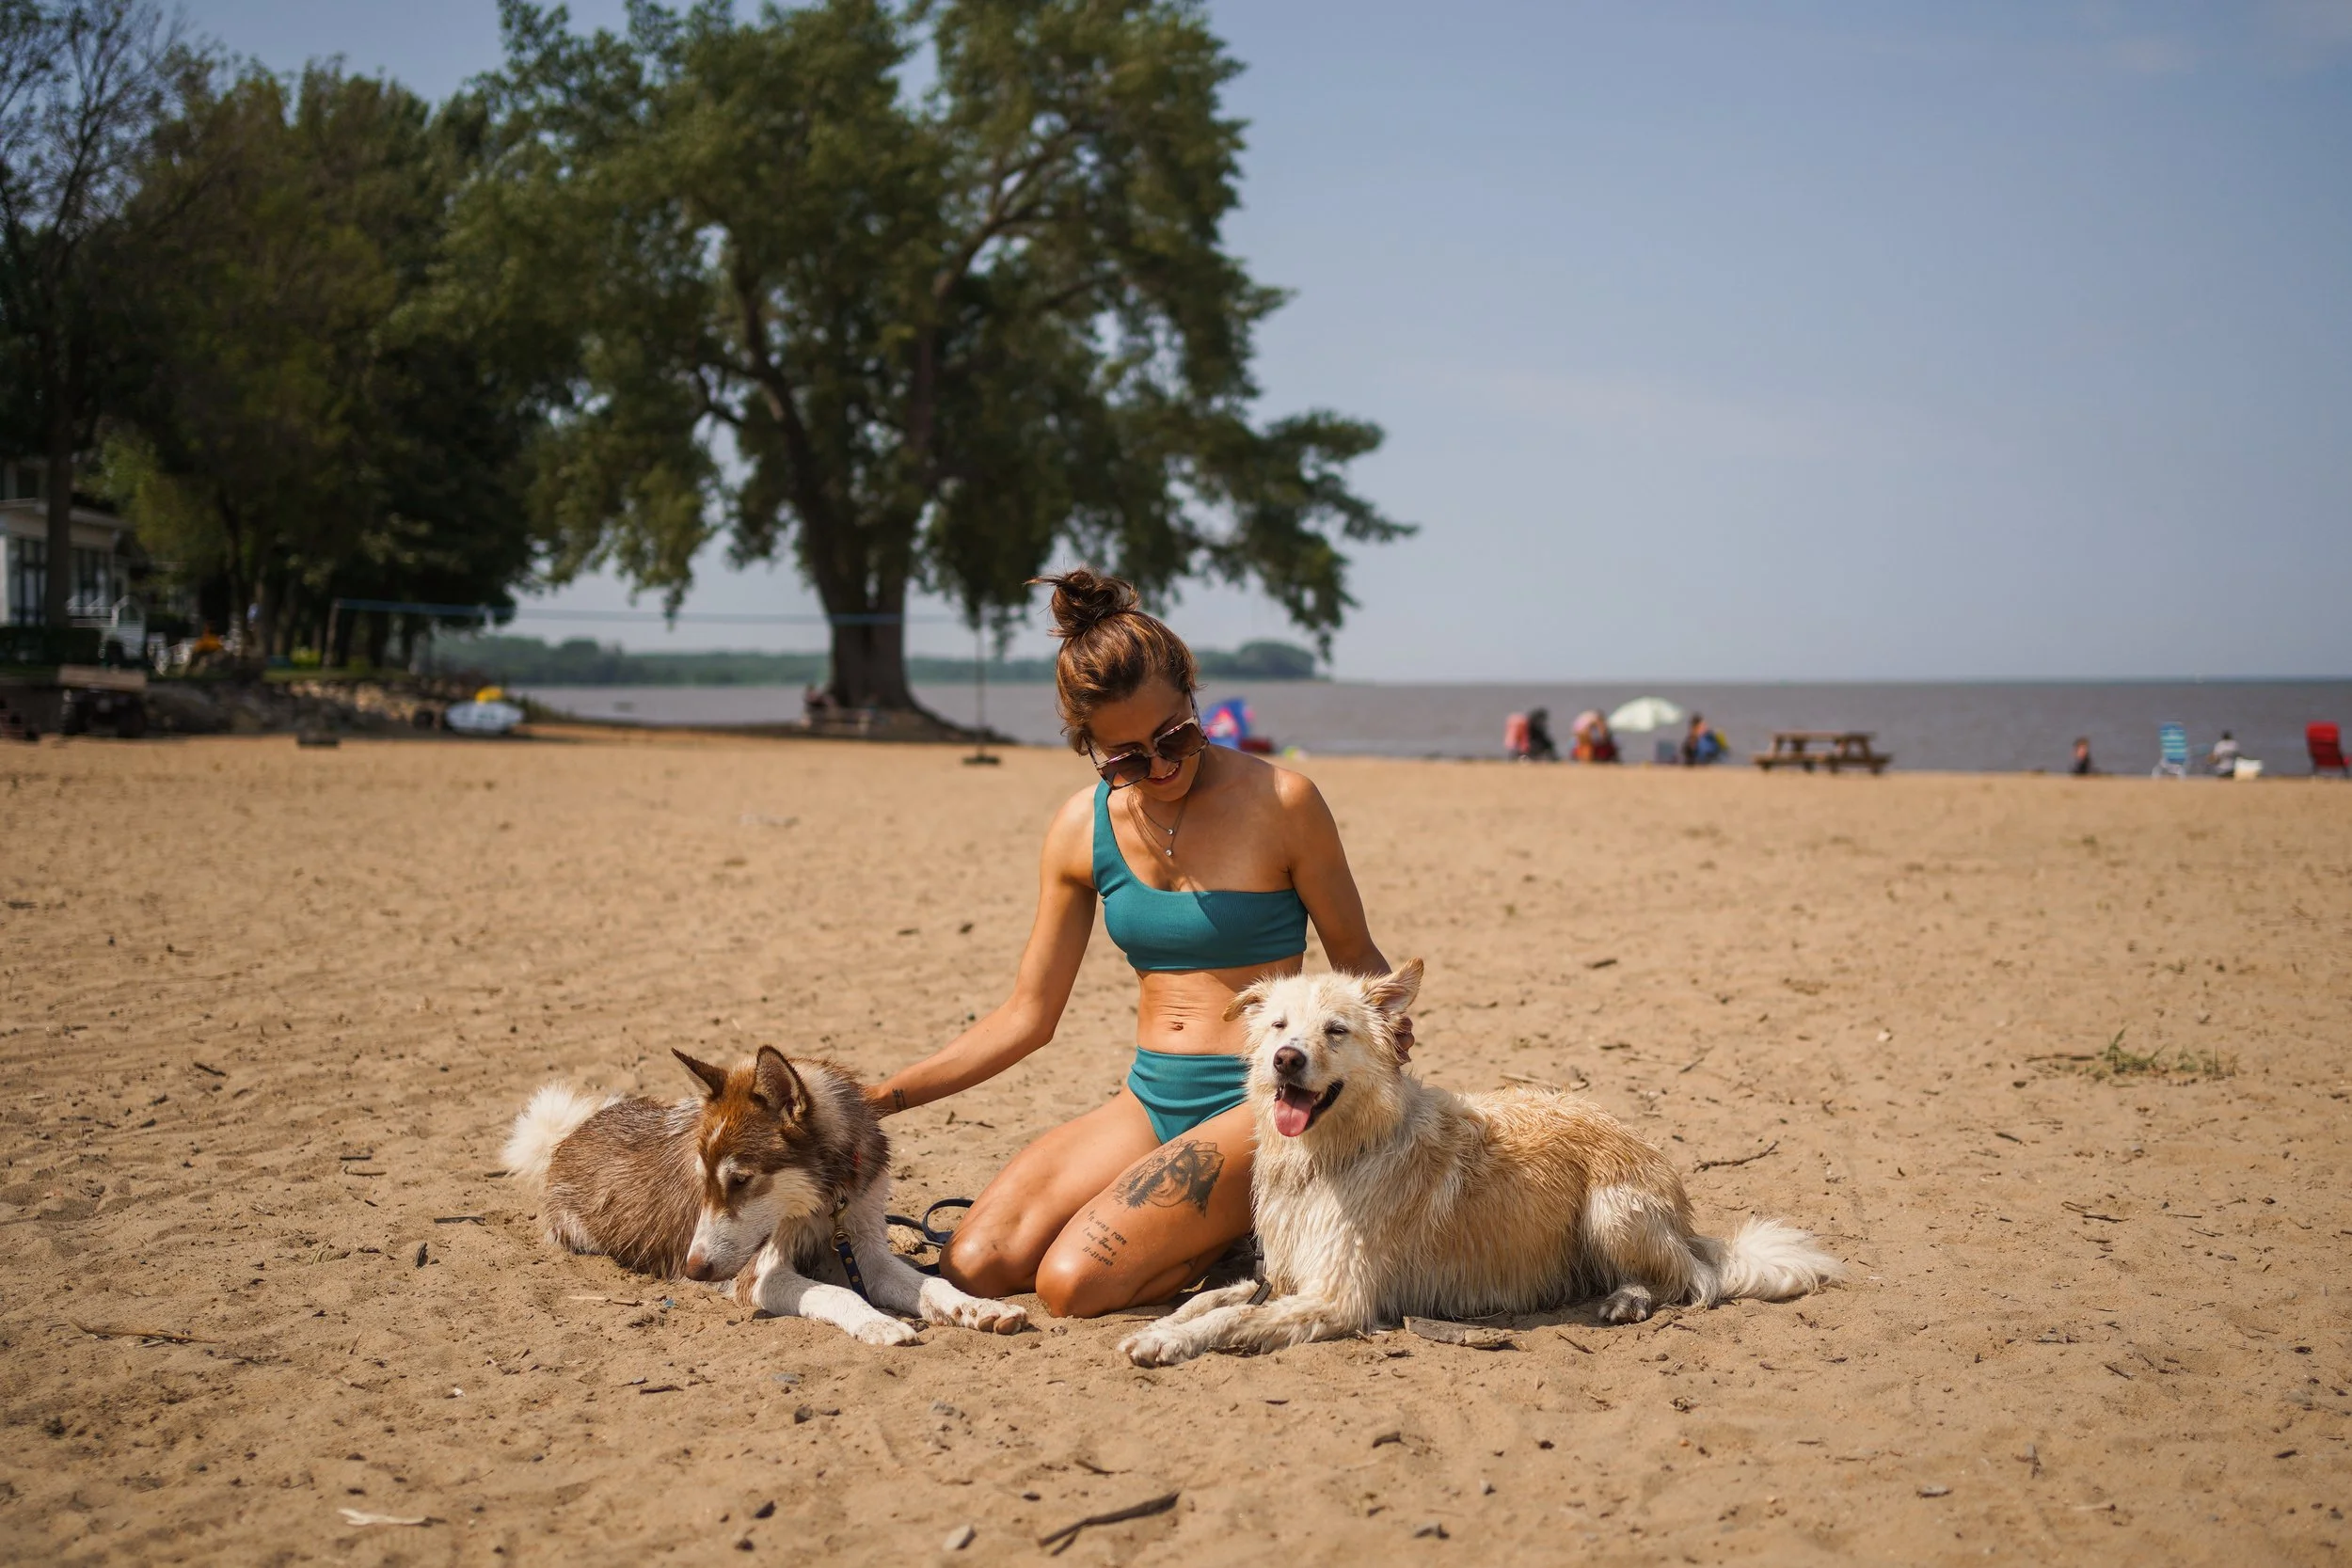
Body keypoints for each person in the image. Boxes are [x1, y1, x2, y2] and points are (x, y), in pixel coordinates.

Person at [864, 571, 1404, 1318]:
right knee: (973, 1263)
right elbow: (1028, 1013)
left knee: (1072, 1282)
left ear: (1193, 694)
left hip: (1268, 1102)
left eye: (1176, 736)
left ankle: (1233, 1242)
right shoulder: (1077, 829)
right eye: (1126, 758)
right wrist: (881, 1099)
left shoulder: (1285, 803)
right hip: (1148, 1097)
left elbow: (1358, 960)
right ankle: (1198, 1229)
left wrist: (1385, 1050)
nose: (1161, 766)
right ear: (1089, 749)